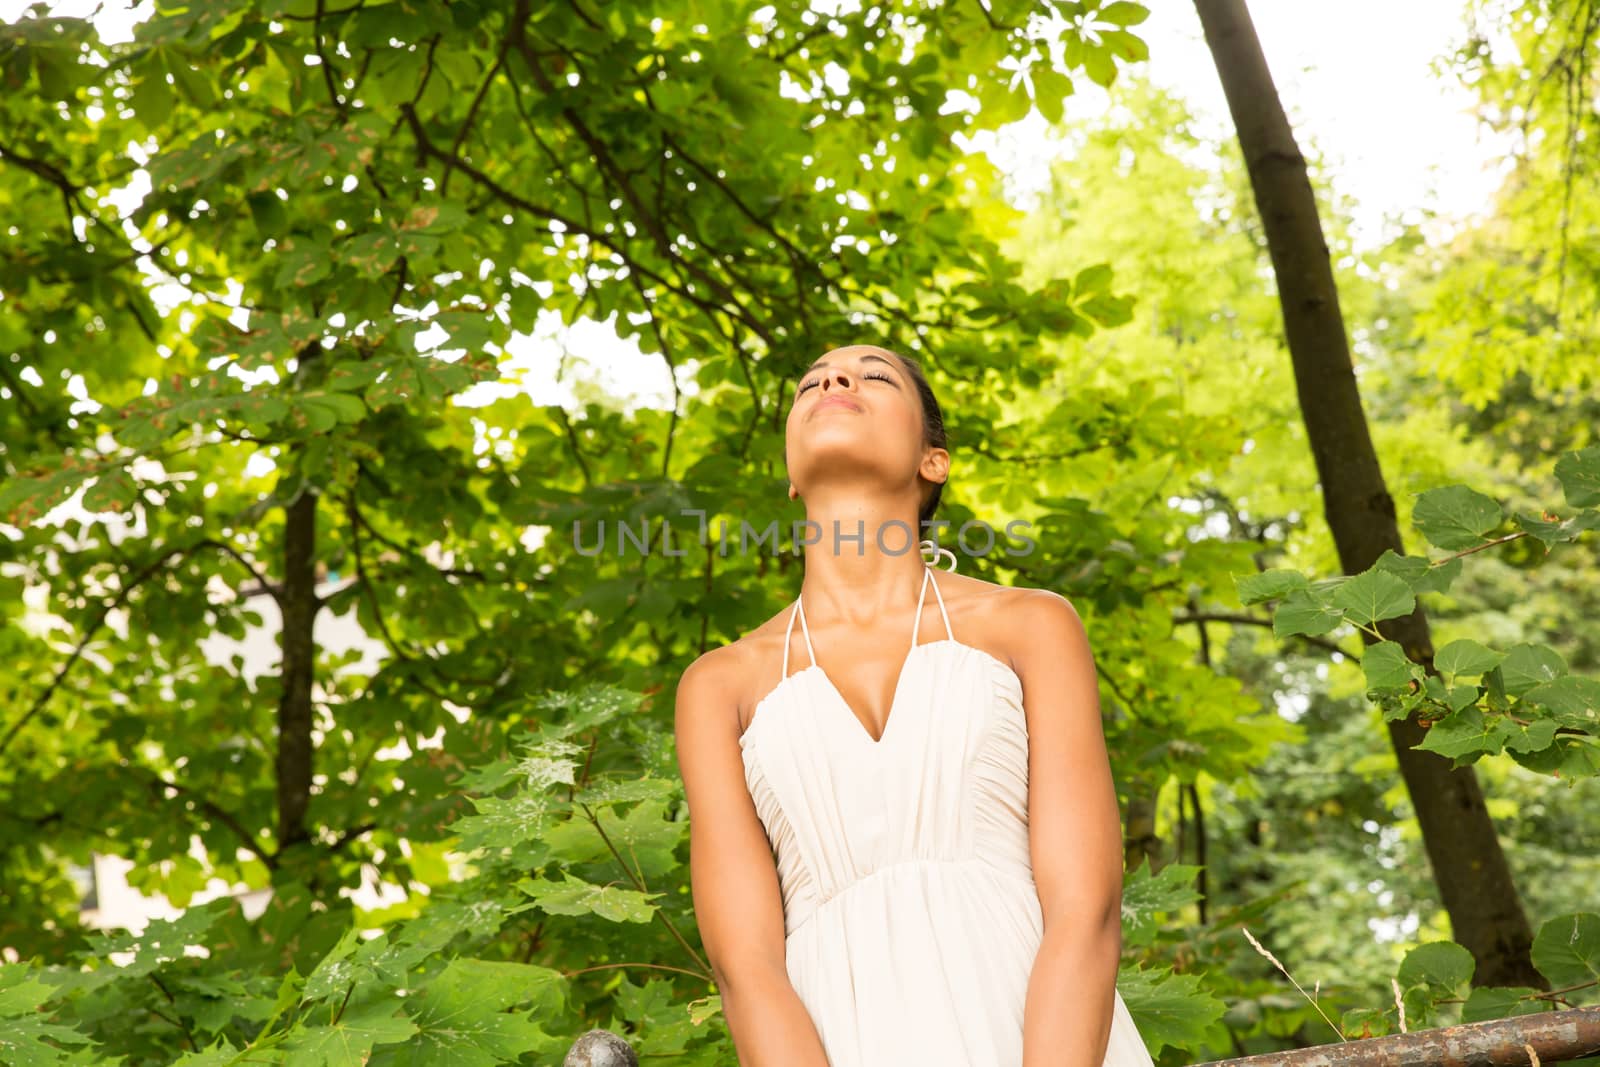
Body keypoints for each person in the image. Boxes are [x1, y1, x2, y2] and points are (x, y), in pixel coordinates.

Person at [674, 345, 1155, 1066]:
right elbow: (746, 969)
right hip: (837, 1033)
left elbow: (1086, 909)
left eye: (873, 375)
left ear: (934, 460)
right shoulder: (718, 685)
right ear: (790, 479)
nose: (834, 380)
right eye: (812, 382)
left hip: (1037, 1024)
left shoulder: (1031, 625)